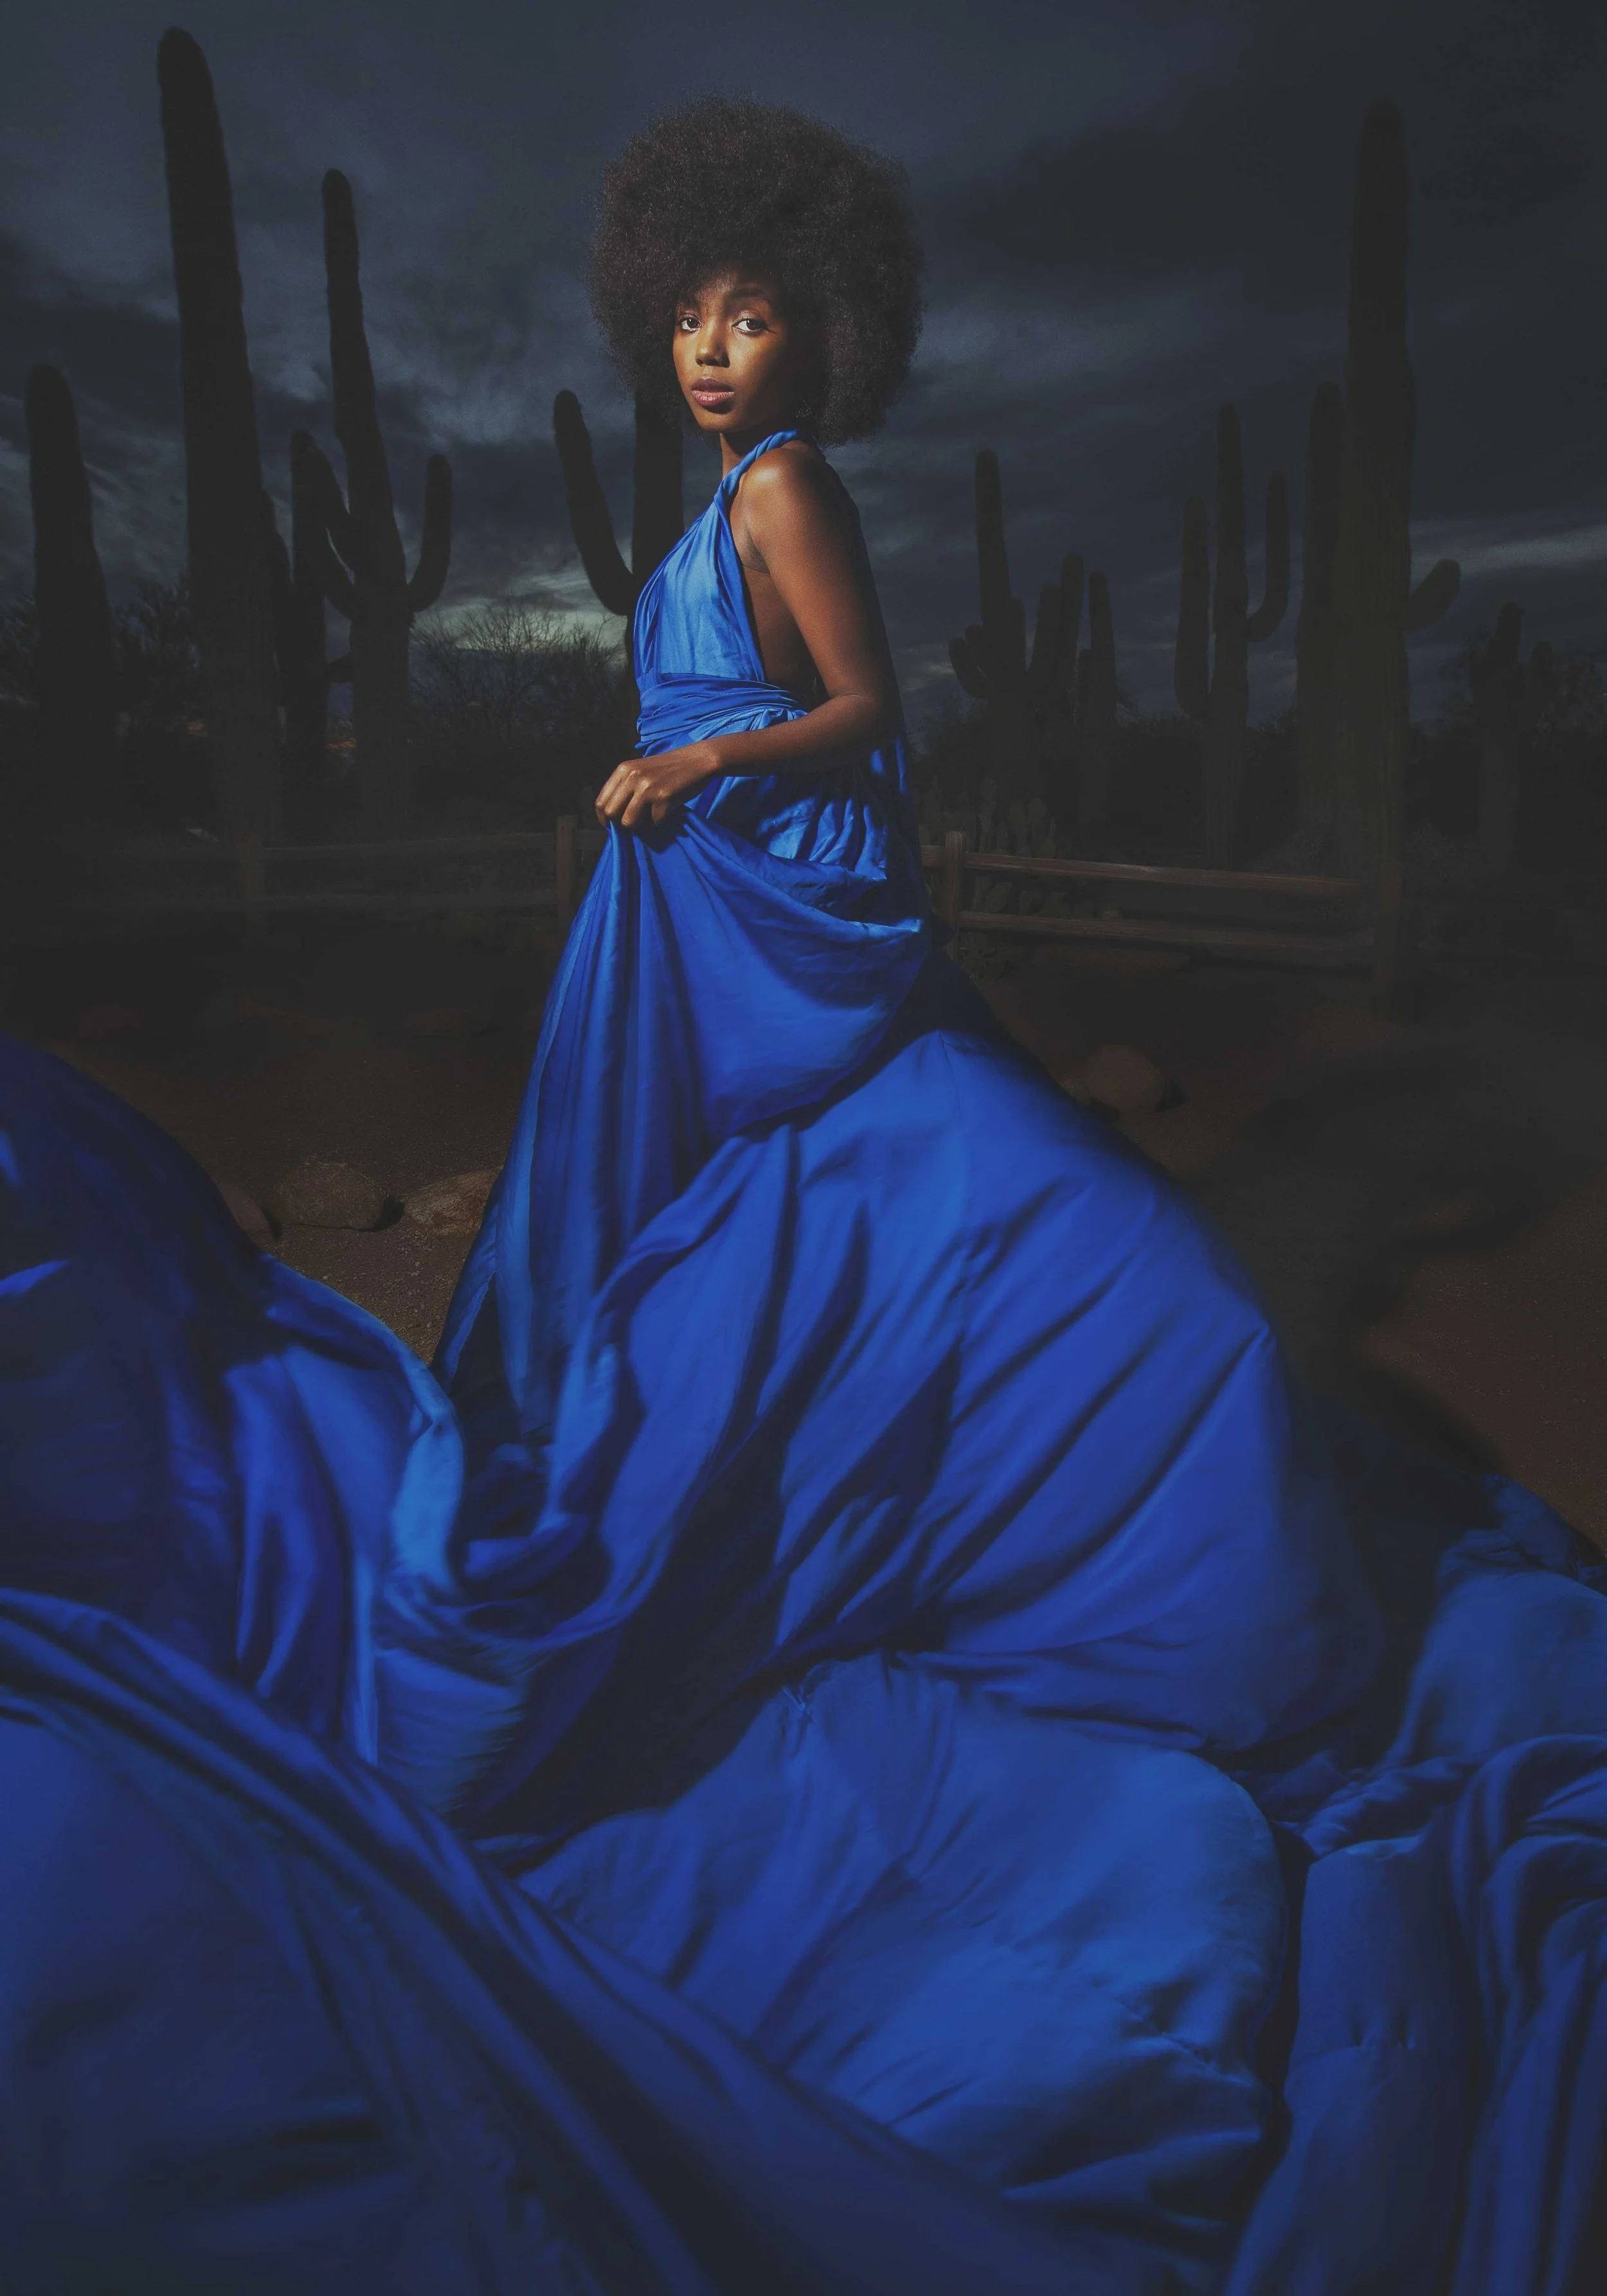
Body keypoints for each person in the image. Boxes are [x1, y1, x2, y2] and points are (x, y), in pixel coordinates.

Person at [1, 93, 1604, 2296]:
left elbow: (861, 712)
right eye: (686, 314)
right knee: (670, 1287)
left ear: (818, 337)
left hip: (777, 898)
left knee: (992, 1225)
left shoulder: (791, 492)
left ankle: (1203, 1601)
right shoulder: (705, 507)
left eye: (752, 315)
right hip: (707, 922)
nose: (711, 348)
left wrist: (694, 764)